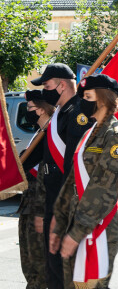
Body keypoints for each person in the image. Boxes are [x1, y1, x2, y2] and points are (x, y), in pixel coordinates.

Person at [50, 74, 118, 288]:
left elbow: (104, 187)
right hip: (78, 222)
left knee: (94, 285)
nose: (83, 102)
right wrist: (60, 216)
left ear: (103, 99)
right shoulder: (90, 133)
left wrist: (76, 233)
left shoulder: (115, 135)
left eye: (87, 96)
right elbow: (72, 180)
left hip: (99, 226)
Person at [31, 63, 93, 289]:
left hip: (66, 203)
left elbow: (72, 163)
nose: (45, 91)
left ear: (62, 84)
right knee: (53, 267)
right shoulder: (59, 113)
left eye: (47, 85)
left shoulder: (77, 113)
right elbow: (41, 153)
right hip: (52, 199)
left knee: (66, 270)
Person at [18, 90, 55, 288]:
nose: (28, 112)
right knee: (28, 265)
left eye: (30, 108)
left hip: (39, 208)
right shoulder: (39, 134)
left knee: (38, 268)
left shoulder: (51, 136)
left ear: (41, 110)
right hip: (28, 205)